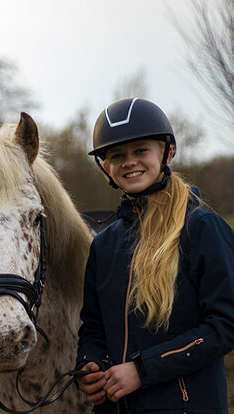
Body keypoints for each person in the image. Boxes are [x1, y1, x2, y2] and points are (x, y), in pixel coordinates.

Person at [75, 98, 234, 413]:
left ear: (167, 153)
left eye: (140, 151)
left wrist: (142, 370)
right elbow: (93, 326)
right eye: (117, 155)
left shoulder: (202, 229)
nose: (129, 162)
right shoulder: (104, 245)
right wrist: (88, 364)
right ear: (106, 167)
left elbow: (225, 324)